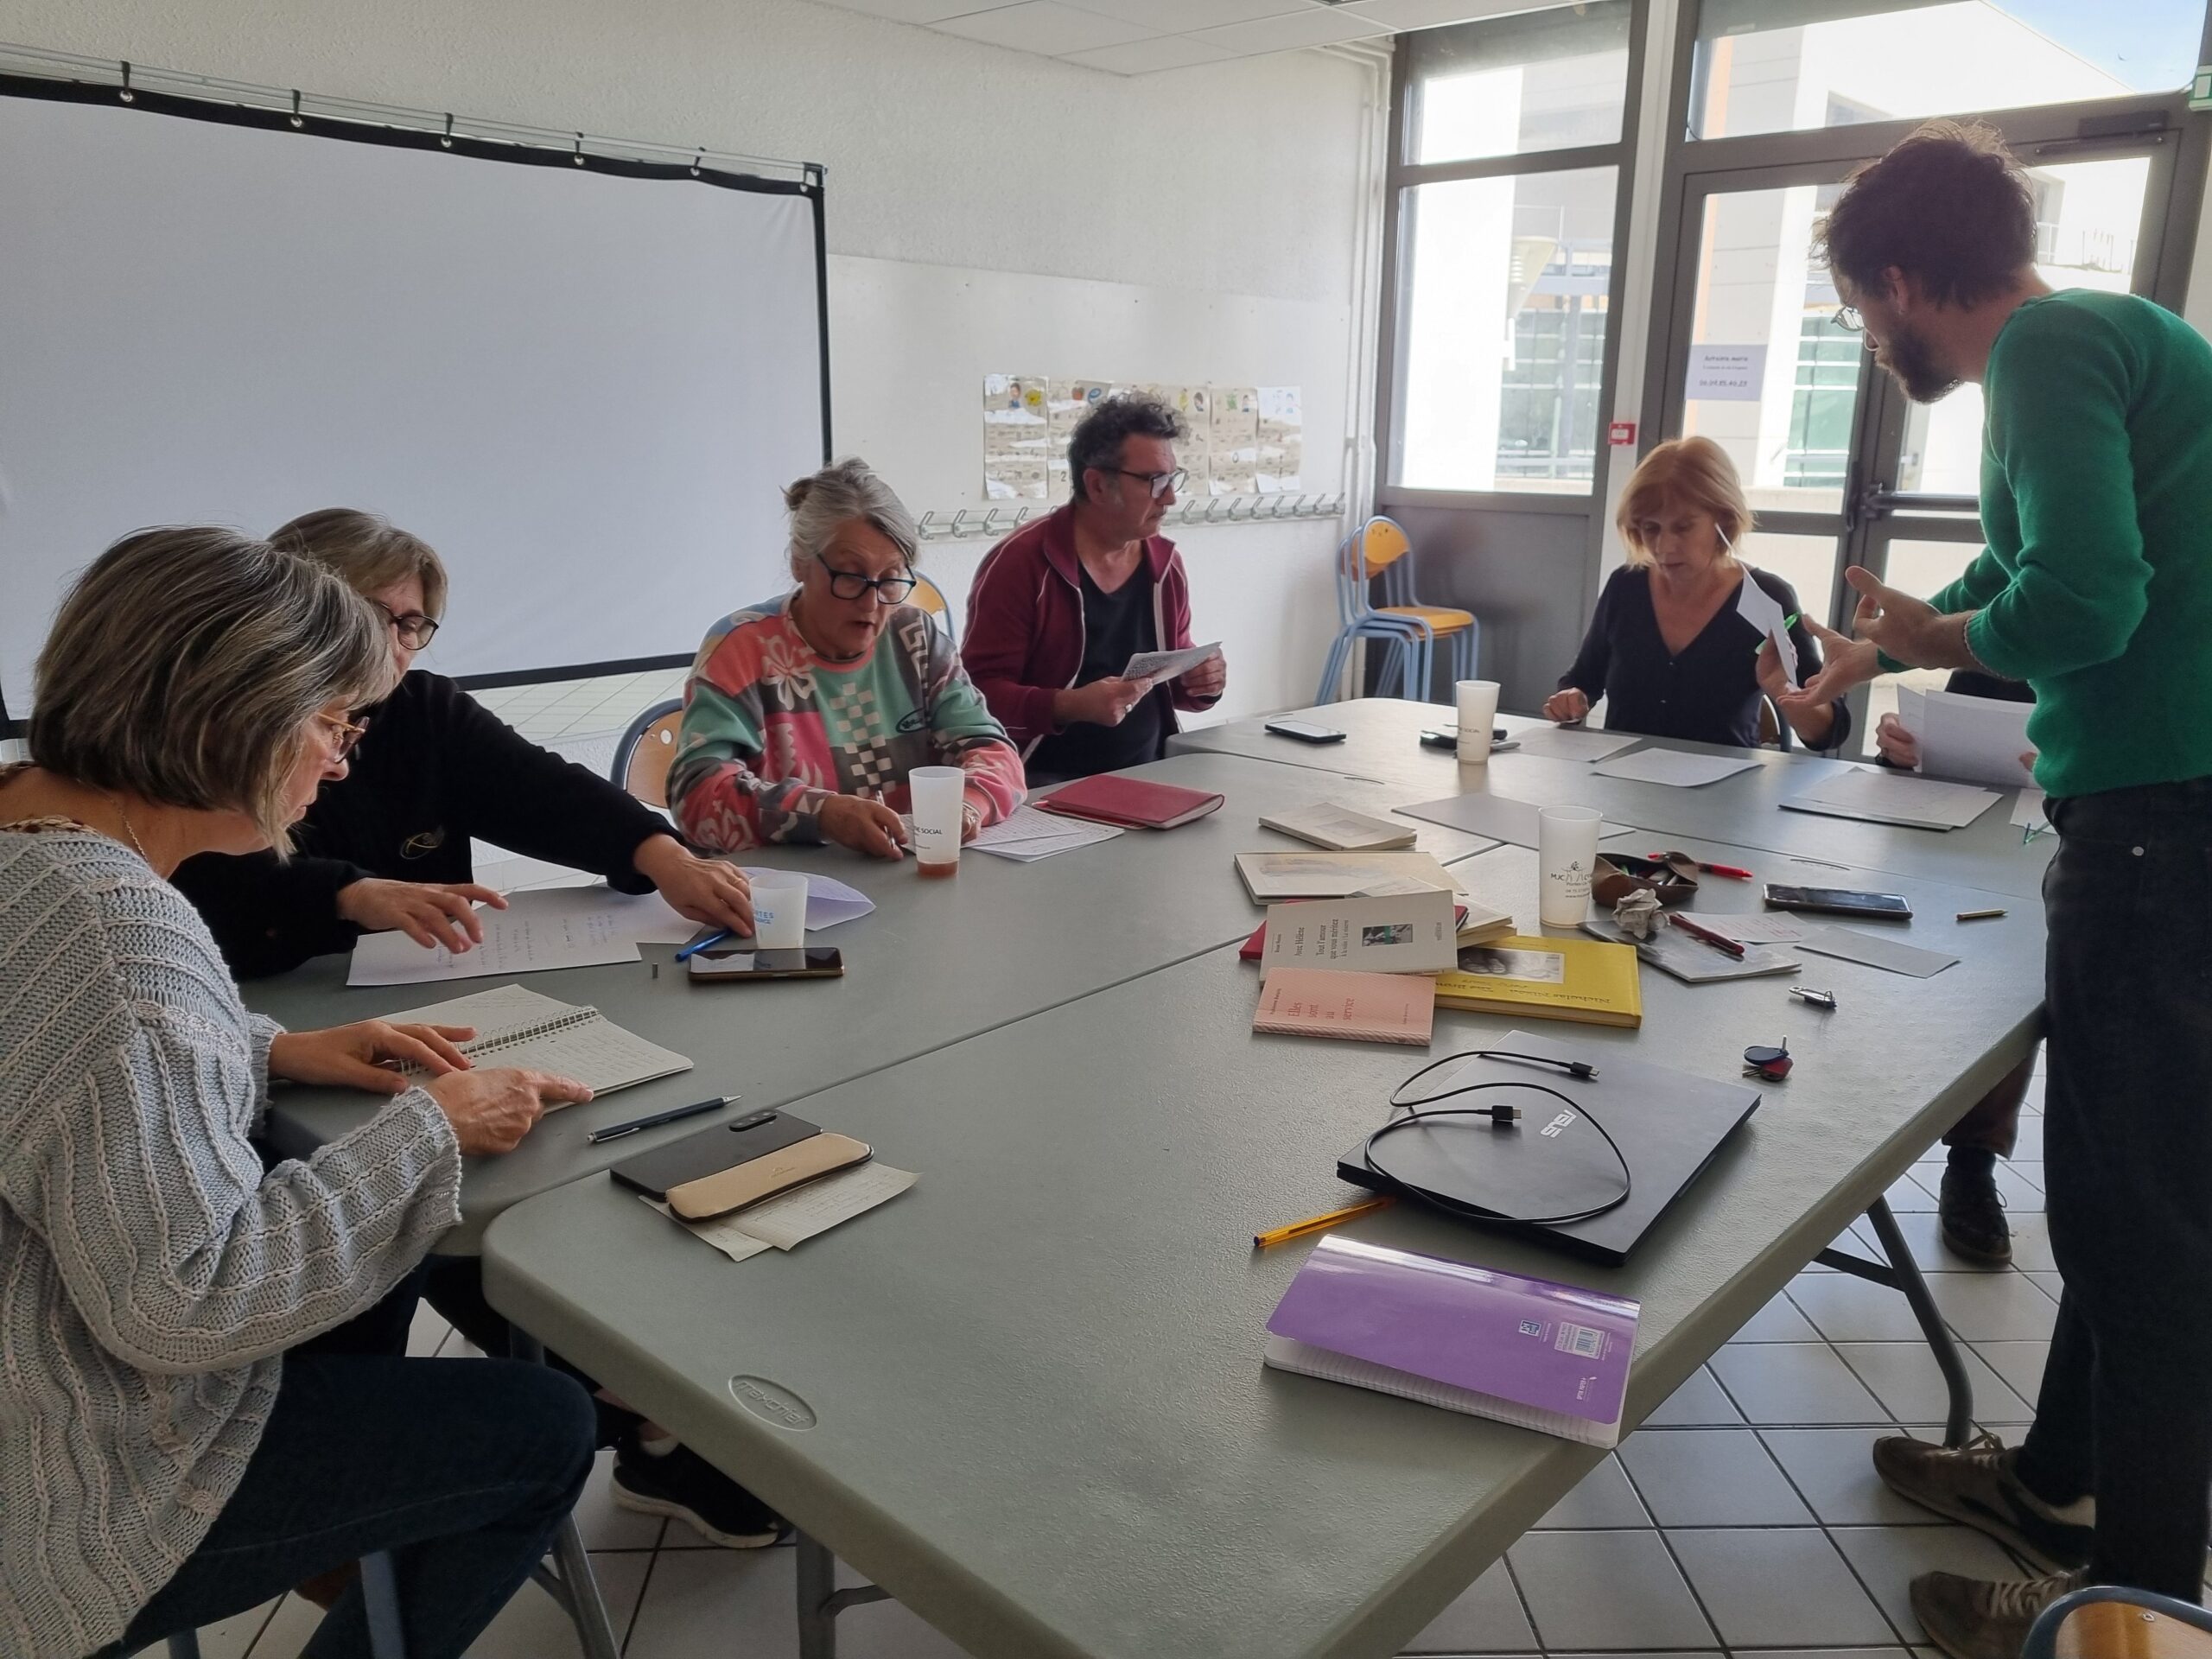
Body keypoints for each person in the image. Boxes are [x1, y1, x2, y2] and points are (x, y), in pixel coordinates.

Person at [0, 528, 595, 1659]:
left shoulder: (24, 825)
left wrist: (263, 1046)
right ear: (236, 716)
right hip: (65, 1485)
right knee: (544, 1431)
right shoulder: (118, 932)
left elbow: (48, 1044)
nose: (340, 765)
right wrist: (433, 1130)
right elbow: (181, 1306)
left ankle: (339, 1538)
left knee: (360, 1252)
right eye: (332, 725)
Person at [1777, 119, 2212, 1657]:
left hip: (2160, 825)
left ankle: (2131, 1610)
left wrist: (1931, 641)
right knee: (2123, 1200)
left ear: (1903, 278)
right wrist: (1881, 645)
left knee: (2143, 1236)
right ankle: (2053, 1487)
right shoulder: (2114, 335)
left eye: (1858, 308)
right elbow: (2021, 576)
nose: (1870, 336)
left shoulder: (2041, 352)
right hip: (2169, 815)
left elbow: (2084, 603)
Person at [173, 509, 753, 980]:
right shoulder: (228, 722)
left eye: (411, 625)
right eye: (373, 615)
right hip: (269, 994)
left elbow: (540, 791)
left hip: (420, 981)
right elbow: (203, 881)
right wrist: (347, 894)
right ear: (293, 609)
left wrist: (662, 854)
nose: (394, 643)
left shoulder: (423, 708)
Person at [672, 458, 1025, 855]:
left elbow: (992, 750)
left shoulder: (913, 638)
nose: (872, 604)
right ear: (800, 563)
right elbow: (697, 797)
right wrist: (821, 815)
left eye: (890, 579)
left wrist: (968, 805)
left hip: (906, 868)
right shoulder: (741, 648)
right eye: (851, 577)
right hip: (789, 882)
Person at [962, 392, 1228, 779]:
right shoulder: (1021, 563)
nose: (1170, 497)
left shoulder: (1166, 563)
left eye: (1173, 478)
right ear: (1098, 485)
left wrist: (1202, 681)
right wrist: (1068, 705)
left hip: (1151, 771)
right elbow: (975, 697)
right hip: (1041, 784)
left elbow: (1174, 678)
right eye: (1155, 481)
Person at [1874, 671, 2040, 1267]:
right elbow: (1936, 746)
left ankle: (1974, 1160)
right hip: (1969, 831)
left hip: (2086, 837)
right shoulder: (1990, 651)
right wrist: (1901, 747)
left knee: (2019, 969)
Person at [1545, 436, 1851, 753]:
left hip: (1728, 781)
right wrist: (1572, 699)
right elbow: (1584, 679)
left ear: (1724, 520)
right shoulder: (1626, 586)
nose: (1664, 547)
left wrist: (1785, 691)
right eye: (1651, 528)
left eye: (1683, 528)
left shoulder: (1767, 597)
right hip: (1620, 777)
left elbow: (1828, 733)